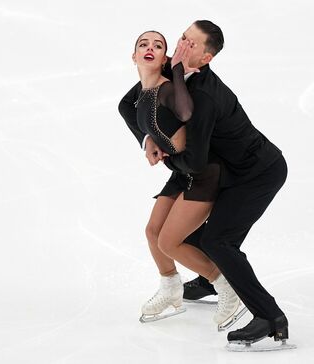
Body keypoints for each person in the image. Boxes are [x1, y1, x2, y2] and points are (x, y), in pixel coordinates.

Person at [121, 21, 293, 349]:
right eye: (182, 38)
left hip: (255, 172)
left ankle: (270, 317)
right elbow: (131, 103)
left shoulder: (202, 96)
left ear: (205, 59)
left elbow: (196, 162)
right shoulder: (171, 75)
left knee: (219, 242)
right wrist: (147, 138)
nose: (180, 47)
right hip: (223, 167)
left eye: (191, 45)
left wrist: (166, 155)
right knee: (189, 234)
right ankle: (206, 280)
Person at [118, 31, 243, 327]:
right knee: (152, 232)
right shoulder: (140, 94)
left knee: (169, 242)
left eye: (158, 45)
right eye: (143, 44)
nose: (150, 48)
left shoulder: (166, 89)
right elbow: (124, 107)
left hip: (203, 173)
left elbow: (185, 111)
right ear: (133, 56)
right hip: (181, 171)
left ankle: (228, 288)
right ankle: (171, 288)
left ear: (165, 57)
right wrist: (147, 139)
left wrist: (176, 71)